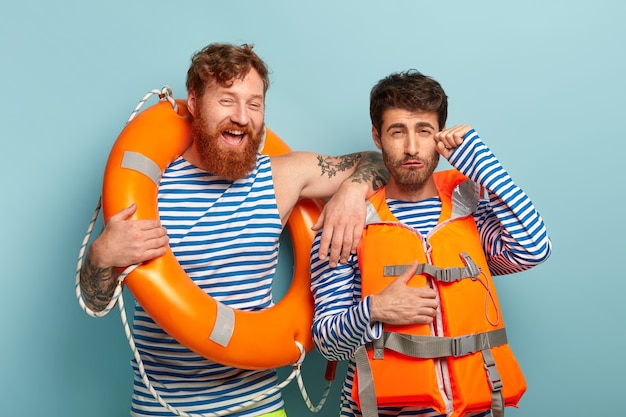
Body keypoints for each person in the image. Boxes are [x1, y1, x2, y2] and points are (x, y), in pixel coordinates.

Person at [79, 42, 389, 417]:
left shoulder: (280, 178)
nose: (242, 116)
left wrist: (353, 192)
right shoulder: (152, 189)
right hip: (161, 409)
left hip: (257, 406)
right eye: (227, 100)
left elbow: (375, 161)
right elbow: (95, 302)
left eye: (254, 103)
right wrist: (100, 258)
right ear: (193, 103)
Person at [310, 70, 552, 417]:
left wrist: (481, 163)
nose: (411, 147)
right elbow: (327, 342)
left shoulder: (470, 209)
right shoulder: (347, 223)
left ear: (438, 136)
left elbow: (534, 248)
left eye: (424, 131)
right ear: (377, 137)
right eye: (397, 131)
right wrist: (375, 309)